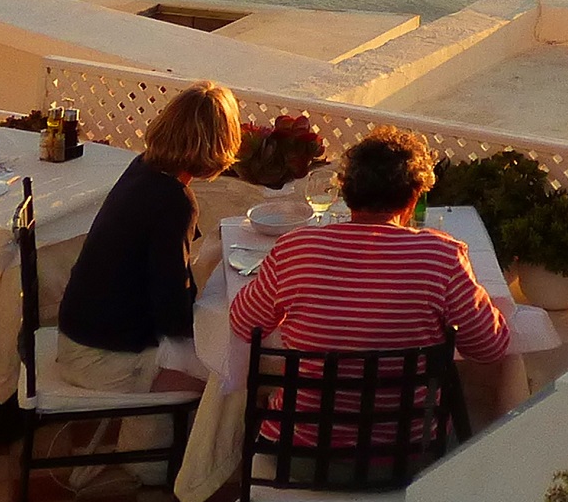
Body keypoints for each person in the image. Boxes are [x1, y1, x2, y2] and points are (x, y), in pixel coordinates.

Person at [229, 125, 510, 442]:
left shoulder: (296, 248)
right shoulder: (442, 256)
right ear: (414, 195)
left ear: (345, 191)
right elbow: (489, 347)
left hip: (298, 454)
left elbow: (244, 322)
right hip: (407, 458)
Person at [55, 82, 240, 394]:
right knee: (232, 381)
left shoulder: (143, 166)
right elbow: (173, 317)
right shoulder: (174, 199)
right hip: (101, 358)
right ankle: (176, 441)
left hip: (76, 336)